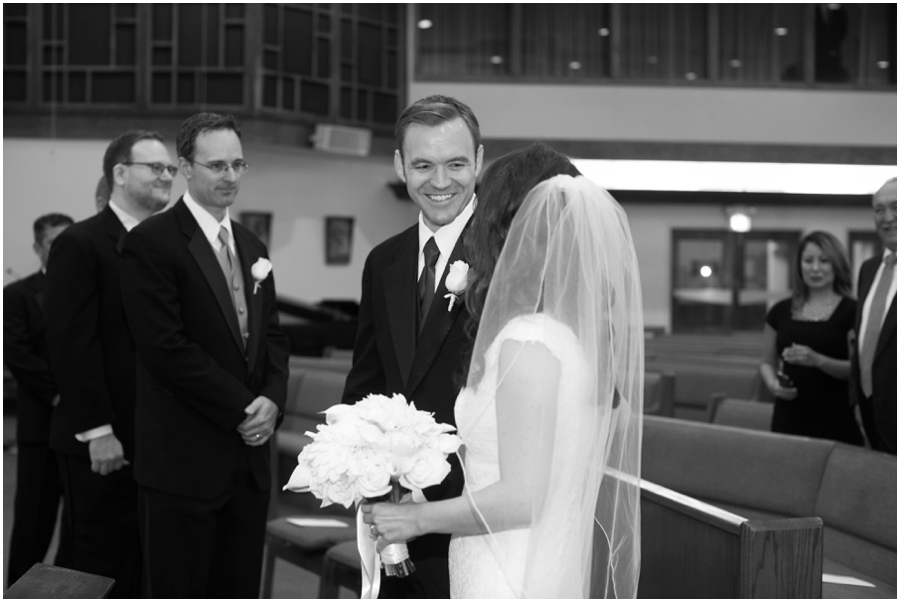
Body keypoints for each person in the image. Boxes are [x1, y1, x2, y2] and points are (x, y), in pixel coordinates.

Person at [363, 142, 644, 598]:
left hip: (507, 570)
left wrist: (414, 520)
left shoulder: (528, 342)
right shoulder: (579, 336)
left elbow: (520, 498)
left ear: (501, 227)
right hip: (546, 561)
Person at [120, 112, 290, 598]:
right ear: (186, 167)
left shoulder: (253, 244)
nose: (230, 177)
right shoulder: (151, 242)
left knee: (238, 589)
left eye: (238, 165)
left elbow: (273, 338)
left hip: (250, 461)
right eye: (217, 166)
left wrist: (273, 400)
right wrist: (242, 408)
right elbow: (164, 348)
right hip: (183, 459)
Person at [342, 94, 484, 598]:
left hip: (477, 507)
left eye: (456, 164)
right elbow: (367, 379)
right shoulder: (385, 260)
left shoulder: (507, 255)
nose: (440, 182)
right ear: (400, 165)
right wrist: (361, 469)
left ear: (480, 161)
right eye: (423, 164)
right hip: (395, 508)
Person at [44, 130, 174, 597]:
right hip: (101, 438)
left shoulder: (166, 244)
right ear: (119, 174)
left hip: (152, 435)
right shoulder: (81, 242)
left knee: (140, 560)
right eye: (154, 167)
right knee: (92, 560)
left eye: (170, 170)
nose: (166, 177)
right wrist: (98, 430)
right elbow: (70, 343)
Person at [4, 213, 74, 586]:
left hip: (84, 430)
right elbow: (17, 354)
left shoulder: (90, 291)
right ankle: (17, 591)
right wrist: (63, 392)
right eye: (53, 243)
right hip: (42, 426)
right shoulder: (16, 295)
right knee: (33, 523)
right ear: (37, 248)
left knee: (79, 529)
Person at [759, 231, 863, 445]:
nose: (815, 268)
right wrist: (772, 385)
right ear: (799, 265)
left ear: (837, 265)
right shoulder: (780, 311)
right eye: (808, 261)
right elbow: (766, 362)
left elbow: (856, 370)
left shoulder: (852, 311)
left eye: (824, 261)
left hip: (835, 418)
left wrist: (817, 360)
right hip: (788, 417)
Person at [852, 178, 896, 454]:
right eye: (879, 209)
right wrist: (857, 400)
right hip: (871, 411)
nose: (887, 217)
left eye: (896, 207)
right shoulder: (868, 270)